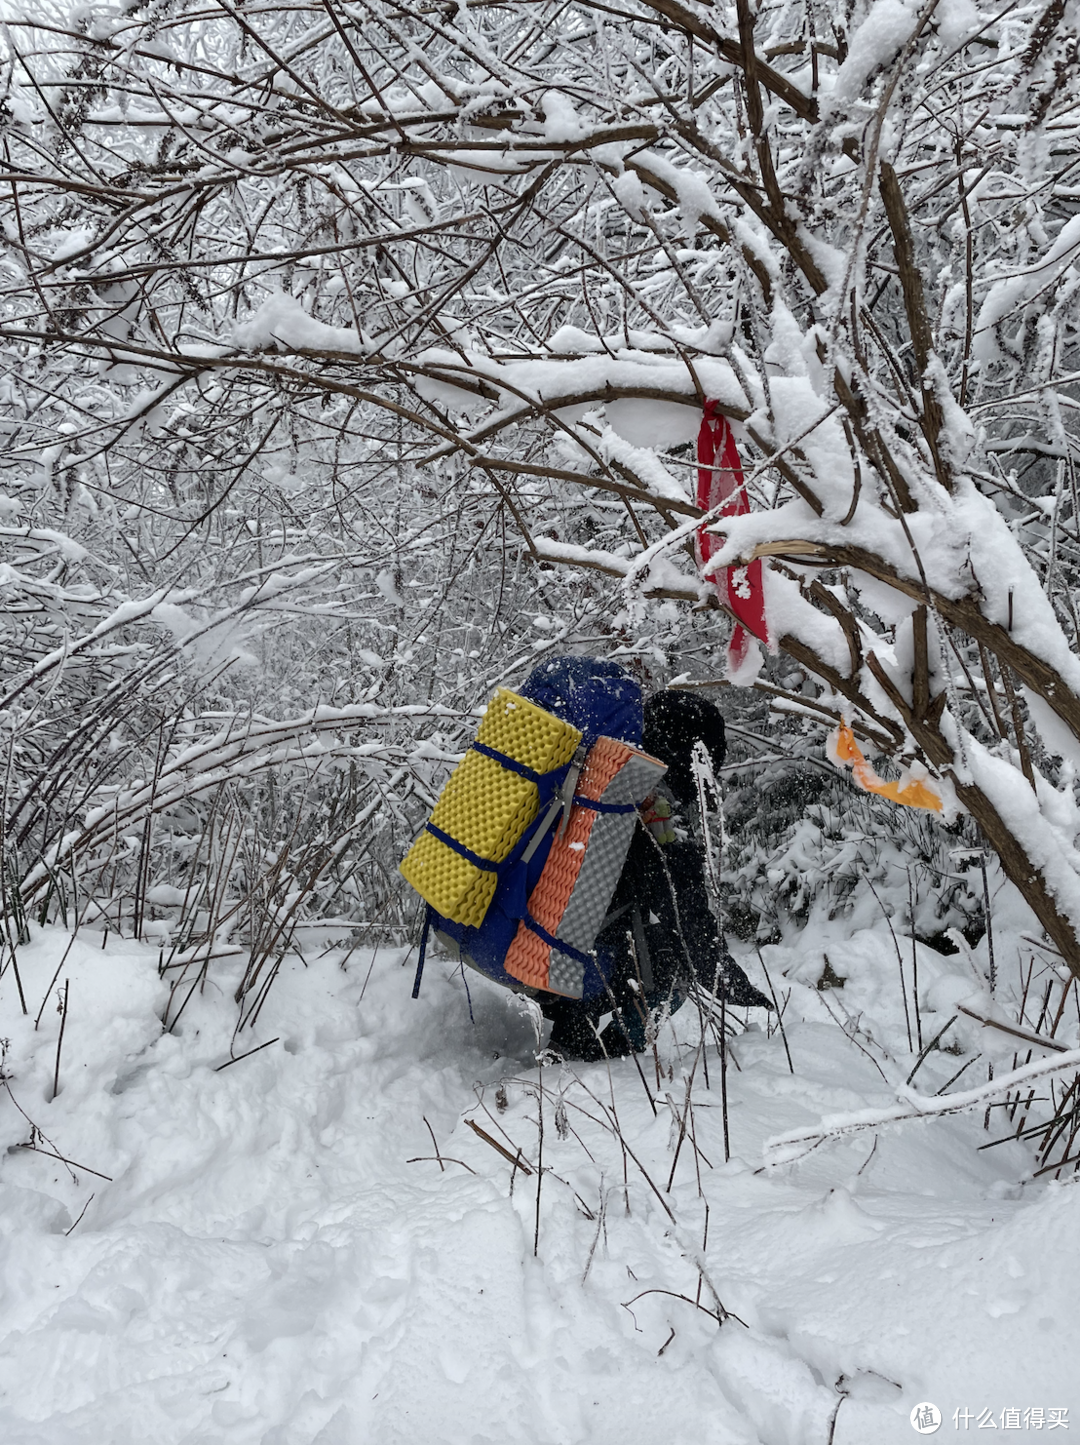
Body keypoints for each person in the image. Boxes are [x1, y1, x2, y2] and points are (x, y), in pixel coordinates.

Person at [540, 688, 772, 1061]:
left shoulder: (599, 775)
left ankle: (570, 1028)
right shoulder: (658, 812)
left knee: (627, 921)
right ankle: (606, 1057)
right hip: (566, 964)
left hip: (527, 936)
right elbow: (689, 919)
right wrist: (735, 987)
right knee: (674, 963)